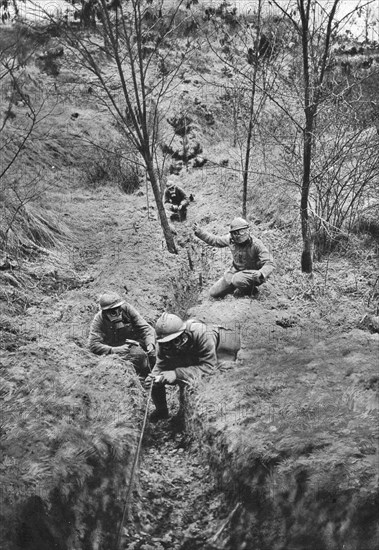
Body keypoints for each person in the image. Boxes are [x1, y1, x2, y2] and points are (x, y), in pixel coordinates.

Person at [145, 313, 240, 422]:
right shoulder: (163, 344)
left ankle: (187, 415)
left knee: (219, 376)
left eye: (175, 341)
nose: (170, 346)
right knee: (172, 376)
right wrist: (153, 379)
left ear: (183, 335)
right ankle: (162, 412)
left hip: (223, 343)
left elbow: (209, 367)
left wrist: (176, 374)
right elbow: (160, 365)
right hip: (194, 348)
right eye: (166, 344)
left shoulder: (202, 334)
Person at [193, 217, 275, 298]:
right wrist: (199, 232)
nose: (239, 235)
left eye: (242, 231)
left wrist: (261, 273)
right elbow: (215, 240)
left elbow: (269, 262)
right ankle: (237, 286)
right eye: (236, 233)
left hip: (252, 275)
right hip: (235, 271)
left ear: (248, 230)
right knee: (214, 292)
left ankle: (253, 292)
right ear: (232, 234)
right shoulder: (230, 240)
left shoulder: (256, 244)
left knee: (237, 279)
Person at [88, 291, 156, 377]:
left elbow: (145, 328)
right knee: (138, 356)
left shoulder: (127, 309)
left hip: (134, 341)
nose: (117, 313)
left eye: (118, 309)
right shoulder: (99, 319)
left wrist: (150, 344)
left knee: (156, 344)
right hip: (117, 348)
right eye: (112, 312)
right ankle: (141, 376)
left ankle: (155, 373)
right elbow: (93, 344)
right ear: (105, 312)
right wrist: (114, 350)